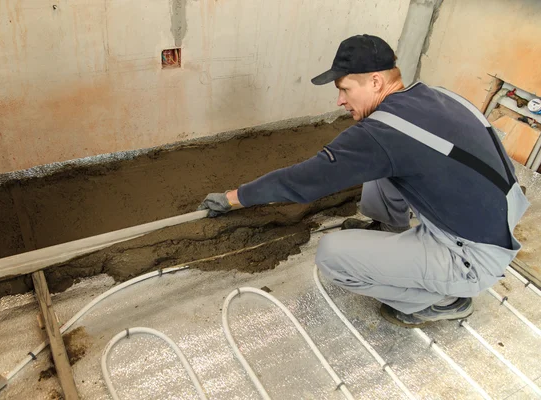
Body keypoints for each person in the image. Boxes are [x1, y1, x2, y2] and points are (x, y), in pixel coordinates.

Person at [198, 34, 529, 327]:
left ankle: (442, 301)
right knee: (385, 168)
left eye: (344, 89)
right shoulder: (435, 96)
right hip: (500, 213)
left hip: (472, 256)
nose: (339, 101)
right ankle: (390, 230)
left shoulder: (382, 133)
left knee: (332, 255)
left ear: (374, 81)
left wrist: (234, 197)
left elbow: (304, 181)